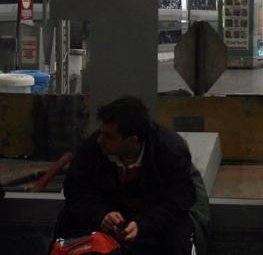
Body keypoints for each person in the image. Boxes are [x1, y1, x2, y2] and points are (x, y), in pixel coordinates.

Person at [54, 96, 197, 255]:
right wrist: (101, 214)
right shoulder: (93, 148)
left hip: (152, 221)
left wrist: (143, 224)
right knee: (68, 222)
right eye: (101, 133)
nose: (100, 140)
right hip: (106, 218)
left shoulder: (170, 150)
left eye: (109, 136)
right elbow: (75, 189)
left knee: (174, 236)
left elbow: (179, 199)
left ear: (132, 140)